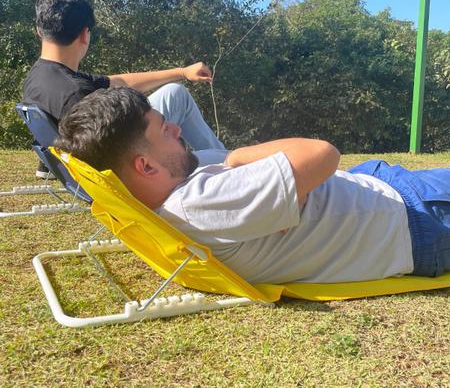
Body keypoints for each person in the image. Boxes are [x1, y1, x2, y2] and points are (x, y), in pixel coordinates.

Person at [54, 87, 450, 285]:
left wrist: (297, 188)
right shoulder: (198, 204)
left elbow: (312, 175)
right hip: (413, 215)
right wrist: (239, 157)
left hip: (378, 193)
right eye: (163, 129)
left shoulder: (171, 207)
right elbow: (323, 154)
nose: (176, 129)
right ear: (145, 165)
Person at [22, 0, 226, 178]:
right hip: (131, 169)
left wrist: (182, 72)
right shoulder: (77, 94)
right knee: (231, 159)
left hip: (88, 160)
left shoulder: (40, 76)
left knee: (174, 93)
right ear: (85, 35)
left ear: (40, 31)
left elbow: (118, 81)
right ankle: (228, 167)